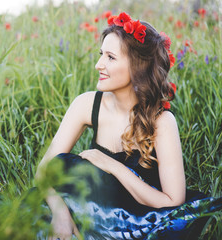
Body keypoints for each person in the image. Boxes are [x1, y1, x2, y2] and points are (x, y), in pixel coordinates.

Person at [34, 12, 222, 240]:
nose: (98, 64)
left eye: (111, 58)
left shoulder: (161, 121)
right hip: (94, 213)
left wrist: (110, 165)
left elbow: (173, 201)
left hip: (138, 221)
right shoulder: (86, 104)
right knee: (60, 172)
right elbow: (44, 170)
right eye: (101, 54)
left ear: (138, 67)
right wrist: (60, 212)